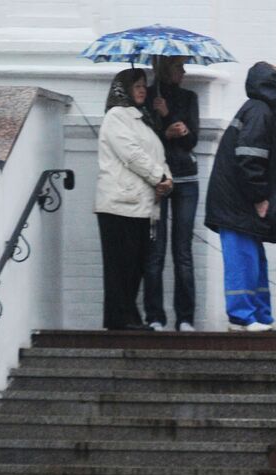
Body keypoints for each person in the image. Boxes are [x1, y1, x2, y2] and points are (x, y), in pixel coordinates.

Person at [204, 62, 276, 333]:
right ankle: (243, 317)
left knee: (253, 260)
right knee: (243, 260)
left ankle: (261, 317)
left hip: (235, 202)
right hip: (239, 204)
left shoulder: (256, 109)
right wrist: (259, 196)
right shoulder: (261, 111)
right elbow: (250, 158)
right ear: (269, 84)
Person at [95, 68, 169, 331]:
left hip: (141, 206)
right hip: (119, 205)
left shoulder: (142, 119)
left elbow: (157, 155)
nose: (142, 90)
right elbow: (132, 154)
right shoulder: (117, 117)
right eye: (136, 85)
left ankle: (129, 316)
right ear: (123, 88)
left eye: (144, 86)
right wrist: (159, 178)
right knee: (120, 266)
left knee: (136, 265)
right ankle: (118, 319)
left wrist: (166, 180)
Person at [143, 56, 199, 332]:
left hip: (186, 179)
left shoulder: (189, 98)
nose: (184, 71)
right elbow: (143, 141)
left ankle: (185, 317)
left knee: (182, 250)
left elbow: (192, 140)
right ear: (164, 68)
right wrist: (164, 128)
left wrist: (169, 116)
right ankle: (155, 316)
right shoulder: (147, 97)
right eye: (179, 66)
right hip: (157, 179)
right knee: (155, 251)